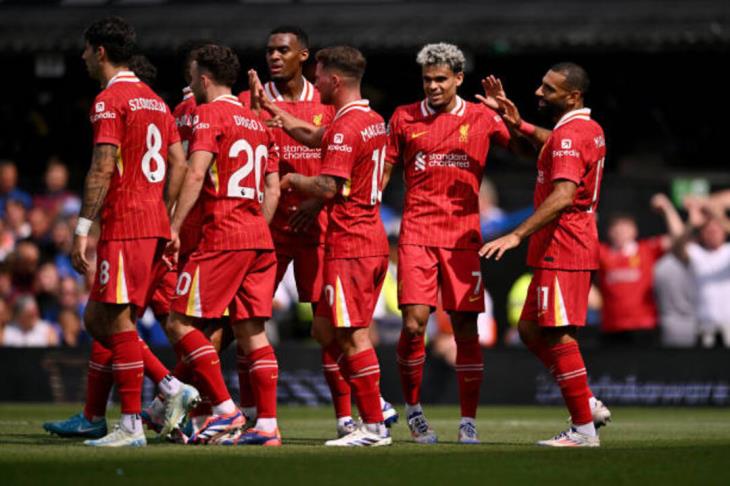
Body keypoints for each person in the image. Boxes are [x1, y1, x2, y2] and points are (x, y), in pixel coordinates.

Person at [48, 17, 192, 448]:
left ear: (101, 52)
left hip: (126, 221)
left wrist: (81, 230)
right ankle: (168, 388)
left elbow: (102, 166)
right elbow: (180, 163)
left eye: (86, 50)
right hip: (151, 222)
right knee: (99, 317)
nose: (83, 57)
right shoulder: (155, 100)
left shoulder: (110, 100)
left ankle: (133, 424)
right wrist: (166, 213)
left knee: (117, 320)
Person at [256, 45, 392, 447]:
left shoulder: (347, 129)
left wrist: (292, 181)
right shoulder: (368, 120)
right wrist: (274, 110)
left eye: (318, 77)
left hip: (351, 242)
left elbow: (329, 186)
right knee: (325, 328)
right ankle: (371, 411)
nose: (314, 84)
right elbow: (314, 135)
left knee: (351, 336)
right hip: (370, 238)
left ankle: (373, 423)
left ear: (334, 80)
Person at [382, 43, 510, 444]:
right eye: (427, 79)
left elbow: (524, 148)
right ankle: (415, 410)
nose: (433, 86)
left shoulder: (481, 116)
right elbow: (384, 171)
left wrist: (511, 116)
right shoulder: (403, 116)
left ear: (458, 79)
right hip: (417, 233)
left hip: (461, 238)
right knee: (414, 324)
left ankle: (467, 420)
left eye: (440, 79)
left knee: (465, 328)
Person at [239, 26, 363, 436]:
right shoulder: (249, 103)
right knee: (247, 320)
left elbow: (346, 167)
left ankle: (346, 418)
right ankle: (249, 413)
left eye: (282, 50)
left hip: (320, 228)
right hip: (268, 231)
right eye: (269, 50)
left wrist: (317, 201)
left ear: (304, 56)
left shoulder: (329, 102)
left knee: (328, 328)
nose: (274, 57)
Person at [480, 62, 610, 447]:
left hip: (564, 245)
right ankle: (586, 402)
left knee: (558, 335)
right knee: (530, 330)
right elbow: (553, 141)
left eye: (548, 89)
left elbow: (564, 194)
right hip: (561, 245)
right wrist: (516, 123)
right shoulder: (583, 129)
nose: (539, 92)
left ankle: (584, 429)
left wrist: (516, 234)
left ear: (573, 96)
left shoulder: (571, 136)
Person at [164, 43, 282, 446]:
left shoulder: (207, 114)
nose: (191, 82)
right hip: (258, 237)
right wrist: (256, 228)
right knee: (252, 333)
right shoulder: (256, 121)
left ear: (205, 78)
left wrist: (174, 227)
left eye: (193, 75)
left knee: (179, 322)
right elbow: (272, 188)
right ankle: (267, 426)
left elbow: (196, 175)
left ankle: (225, 410)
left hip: (222, 234)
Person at [596, 193, 684, 346]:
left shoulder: (646, 250)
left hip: (644, 327)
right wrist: (586, 221)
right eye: (616, 228)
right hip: (612, 328)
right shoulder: (602, 253)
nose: (621, 232)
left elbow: (679, 238)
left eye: (625, 227)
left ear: (634, 231)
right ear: (609, 232)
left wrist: (667, 209)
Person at [673, 197, 730, 347]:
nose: (713, 234)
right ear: (702, 235)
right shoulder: (696, 253)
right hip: (704, 326)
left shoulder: (728, 252)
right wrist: (692, 223)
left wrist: (715, 213)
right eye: (709, 231)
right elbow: (677, 247)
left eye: (717, 230)